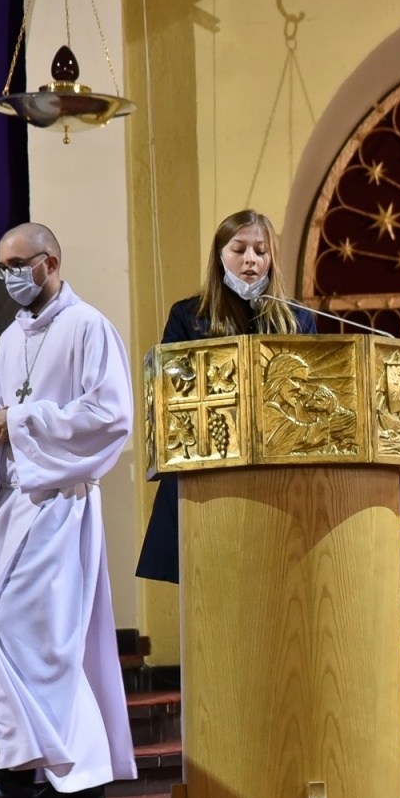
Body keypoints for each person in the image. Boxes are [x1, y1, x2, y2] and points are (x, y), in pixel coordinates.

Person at [0, 223, 137, 798]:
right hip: (18, 506)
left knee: (35, 635)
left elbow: (111, 414)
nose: (8, 277)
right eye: (2, 266)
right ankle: (49, 772)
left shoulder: (87, 327)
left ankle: (49, 773)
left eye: (16, 264)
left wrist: (22, 421)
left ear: (50, 262)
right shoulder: (10, 339)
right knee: (22, 634)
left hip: (61, 503)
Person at [136, 210, 317, 584]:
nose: (251, 260)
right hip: (207, 478)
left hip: (276, 476)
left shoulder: (297, 319)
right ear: (220, 256)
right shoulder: (190, 315)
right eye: (239, 249)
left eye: (261, 251)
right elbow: (169, 392)